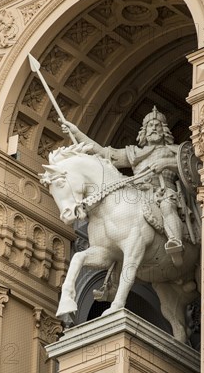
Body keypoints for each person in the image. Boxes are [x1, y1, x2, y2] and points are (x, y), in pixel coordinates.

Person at [60, 106, 185, 267]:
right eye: (150, 125)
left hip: (162, 191)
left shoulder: (173, 151)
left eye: (157, 125)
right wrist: (77, 133)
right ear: (144, 131)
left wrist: (166, 163)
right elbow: (104, 153)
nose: (153, 128)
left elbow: (187, 164)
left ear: (164, 130)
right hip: (138, 194)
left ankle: (175, 242)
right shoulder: (134, 153)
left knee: (168, 206)